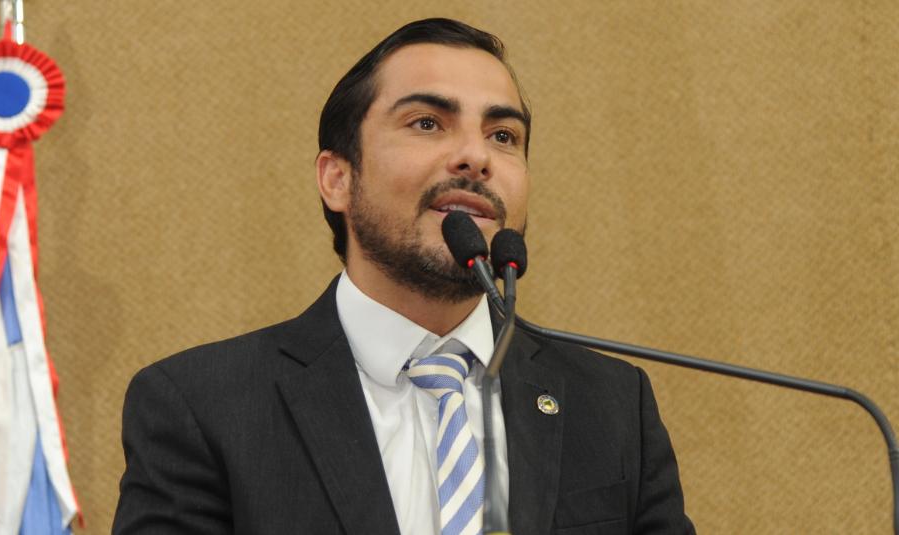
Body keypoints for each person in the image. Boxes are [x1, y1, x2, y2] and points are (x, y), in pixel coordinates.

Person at [113, 18, 694, 535]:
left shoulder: (612, 404)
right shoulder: (204, 406)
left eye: (503, 136)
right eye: (427, 123)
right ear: (337, 179)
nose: (476, 157)